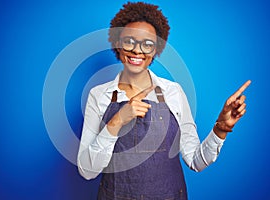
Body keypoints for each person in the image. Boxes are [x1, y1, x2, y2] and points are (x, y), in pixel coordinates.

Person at [77, 2, 251, 200]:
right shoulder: (99, 95)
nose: (137, 51)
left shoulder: (173, 92)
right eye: (129, 41)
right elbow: (87, 170)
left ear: (156, 49)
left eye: (147, 44)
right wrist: (117, 121)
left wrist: (220, 129)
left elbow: (196, 161)